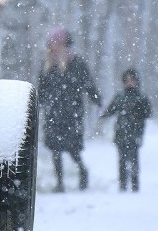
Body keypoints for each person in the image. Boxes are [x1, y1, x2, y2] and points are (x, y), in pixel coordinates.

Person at [38, 26, 101, 192]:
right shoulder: (47, 64)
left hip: (71, 113)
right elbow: (42, 89)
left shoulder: (76, 63)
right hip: (53, 113)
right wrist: (38, 104)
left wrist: (96, 99)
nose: (53, 46)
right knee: (55, 149)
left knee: (73, 149)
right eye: (51, 42)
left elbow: (88, 83)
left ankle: (83, 171)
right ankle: (60, 183)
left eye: (56, 42)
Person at [100, 68, 151, 192]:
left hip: (135, 133)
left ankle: (135, 184)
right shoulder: (120, 97)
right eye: (127, 80)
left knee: (134, 159)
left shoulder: (141, 98)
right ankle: (122, 184)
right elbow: (110, 110)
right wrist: (103, 114)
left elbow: (147, 113)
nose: (129, 83)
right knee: (122, 160)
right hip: (121, 133)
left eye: (132, 80)